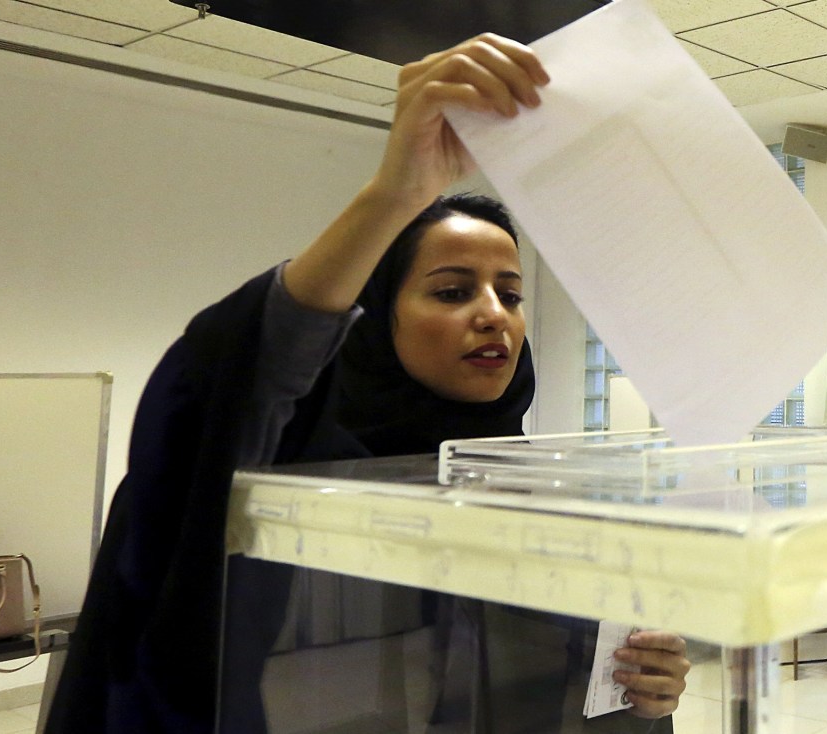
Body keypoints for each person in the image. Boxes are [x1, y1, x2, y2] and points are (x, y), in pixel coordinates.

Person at [43, 33, 689, 734]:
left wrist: (643, 693)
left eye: (511, 293)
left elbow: (567, 696)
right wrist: (395, 193)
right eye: (450, 291)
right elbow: (215, 388)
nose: (493, 315)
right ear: (376, 319)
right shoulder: (286, 476)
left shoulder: (541, 504)